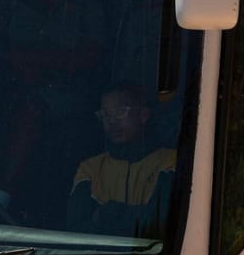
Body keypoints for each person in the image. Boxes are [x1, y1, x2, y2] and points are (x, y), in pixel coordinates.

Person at [66, 84, 177, 235]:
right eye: (105, 114)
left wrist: (106, 215)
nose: (112, 121)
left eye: (120, 112)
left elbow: (164, 221)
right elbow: (76, 229)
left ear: (143, 115)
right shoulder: (90, 169)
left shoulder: (169, 162)